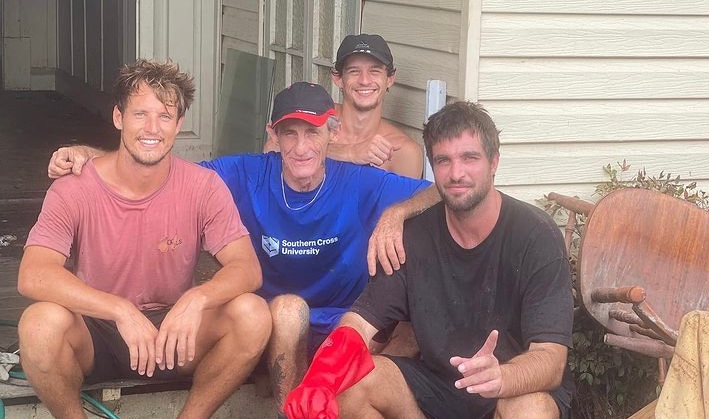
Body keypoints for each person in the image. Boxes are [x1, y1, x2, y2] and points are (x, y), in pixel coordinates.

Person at [46, 81, 438, 415]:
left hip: (345, 324)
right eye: (290, 133)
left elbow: (441, 192)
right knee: (287, 309)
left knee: (407, 324)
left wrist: (396, 213)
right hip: (276, 326)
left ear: (331, 135)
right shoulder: (247, 173)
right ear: (274, 135)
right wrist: (92, 156)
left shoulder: (364, 182)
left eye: (313, 132)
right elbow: (165, 166)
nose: (301, 147)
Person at [284, 101, 575, 419]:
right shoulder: (413, 236)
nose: (456, 173)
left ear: (494, 162)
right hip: (438, 389)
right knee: (353, 383)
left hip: (510, 390)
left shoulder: (535, 235)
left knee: (530, 410)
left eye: (470, 158)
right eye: (443, 161)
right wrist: (321, 379)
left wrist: (501, 377)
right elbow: (360, 323)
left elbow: (551, 359)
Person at [18, 59, 272, 419]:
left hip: (174, 331)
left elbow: (247, 268)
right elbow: (34, 274)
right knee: (38, 325)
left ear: (179, 124)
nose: (152, 128)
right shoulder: (74, 187)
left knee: (253, 314)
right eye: (140, 114)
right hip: (97, 330)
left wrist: (197, 299)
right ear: (119, 117)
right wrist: (119, 309)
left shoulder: (203, 186)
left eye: (165, 116)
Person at [266, 33, 424, 179]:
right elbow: (273, 149)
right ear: (338, 78)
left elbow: (404, 208)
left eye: (374, 71)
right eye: (354, 71)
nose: (364, 80)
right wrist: (350, 153)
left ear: (390, 79)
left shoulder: (402, 151)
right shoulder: (314, 117)